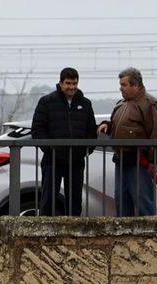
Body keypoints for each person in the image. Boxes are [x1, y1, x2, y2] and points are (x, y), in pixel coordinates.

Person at [30, 67, 97, 216]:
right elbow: (38, 130)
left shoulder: (86, 104)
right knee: (48, 200)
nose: (71, 87)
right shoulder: (46, 102)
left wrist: (85, 150)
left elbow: (91, 131)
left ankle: (74, 230)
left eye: (74, 83)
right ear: (61, 83)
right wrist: (51, 149)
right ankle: (45, 228)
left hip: (76, 161)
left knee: (75, 201)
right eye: (68, 83)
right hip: (52, 160)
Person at [99, 67, 157, 217]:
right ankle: (124, 232)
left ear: (135, 85)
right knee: (122, 201)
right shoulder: (121, 104)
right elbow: (119, 126)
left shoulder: (150, 104)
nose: (120, 88)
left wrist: (153, 160)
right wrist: (107, 126)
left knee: (143, 202)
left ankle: (149, 231)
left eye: (124, 85)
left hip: (139, 161)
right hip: (121, 159)